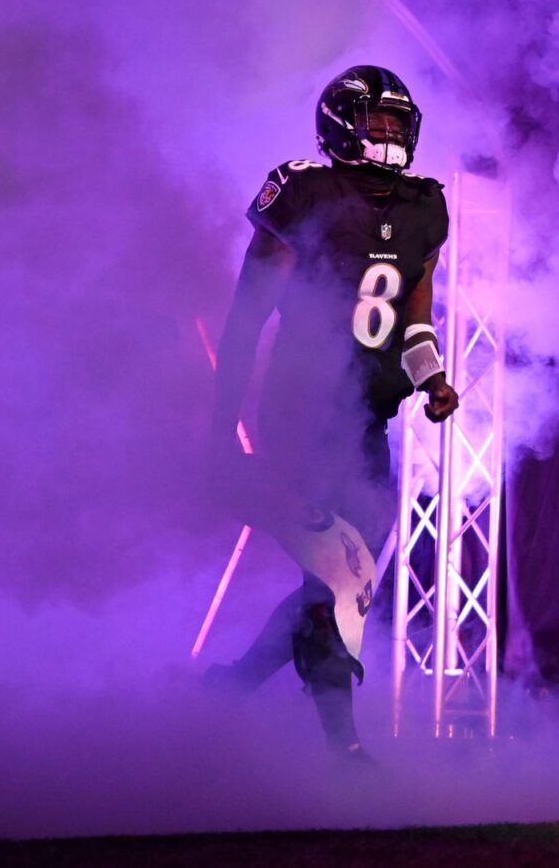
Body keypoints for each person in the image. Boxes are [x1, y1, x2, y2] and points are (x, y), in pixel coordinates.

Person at [202, 65, 460, 760]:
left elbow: (413, 319)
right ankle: (345, 750)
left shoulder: (424, 207)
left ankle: (233, 685)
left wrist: (431, 378)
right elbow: (246, 316)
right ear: (342, 125)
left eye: (396, 124)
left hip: (366, 419)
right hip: (303, 410)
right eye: (376, 122)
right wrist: (222, 422)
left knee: (349, 578)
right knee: (339, 577)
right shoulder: (306, 191)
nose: (389, 136)